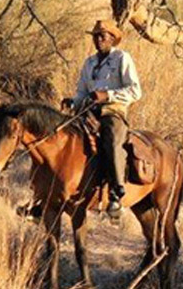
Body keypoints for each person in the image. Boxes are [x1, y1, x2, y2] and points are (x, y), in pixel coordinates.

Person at [62, 19, 143, 219]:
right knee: (62, 136)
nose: (98, 40)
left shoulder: (122, 58)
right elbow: (82, 91)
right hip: (88, 111)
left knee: (113, 138)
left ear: (113, 39)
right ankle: (45, 193)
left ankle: (116, 192)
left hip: (112, 111)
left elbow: (135, 91)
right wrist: (73, 102)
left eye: (103, 36)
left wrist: (108, 96)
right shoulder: (89, 62)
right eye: (96, 36)